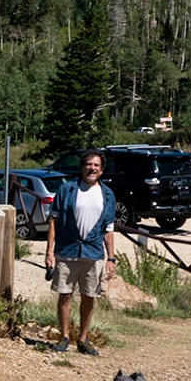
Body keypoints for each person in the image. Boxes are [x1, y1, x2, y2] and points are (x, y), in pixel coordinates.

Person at [44, 150, 117, 354]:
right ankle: (64, 336)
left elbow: (109, 229)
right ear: (81, 167)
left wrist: (111, 258)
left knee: (89, 296)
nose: (91, 168)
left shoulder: (107, 195)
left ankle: (83, 339)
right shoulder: (66, 190)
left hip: (93, 252)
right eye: (88, 164)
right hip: (67, 251)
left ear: (101, 170)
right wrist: (49, 251)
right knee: (65, 295)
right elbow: (54, 222)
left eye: (96, 165)